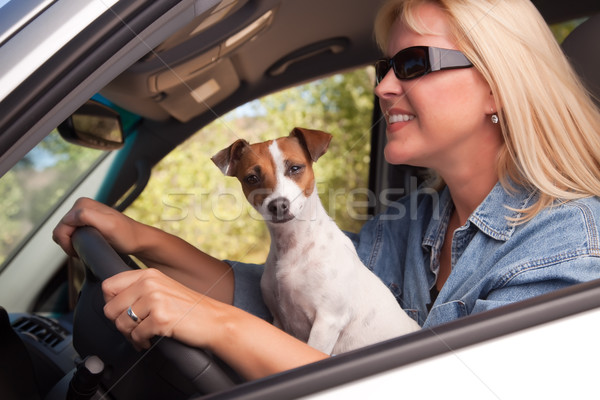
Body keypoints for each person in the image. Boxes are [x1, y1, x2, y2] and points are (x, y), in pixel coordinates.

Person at [53, 0, 600, 381]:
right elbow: (282, 298)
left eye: (412, 64)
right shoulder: (412, 221)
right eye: (386, 67)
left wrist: (214, 322)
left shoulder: (569, 249)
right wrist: (137, 237)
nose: (384, 86)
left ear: (499, 84)